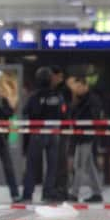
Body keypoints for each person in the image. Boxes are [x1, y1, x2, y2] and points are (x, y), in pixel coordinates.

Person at [21, 67, 66, 203]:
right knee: (52, 165)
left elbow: (26, 111)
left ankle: (28, 194)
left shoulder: (34, 96)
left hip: (38, 132)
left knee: (32, 164)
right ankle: (47, 193)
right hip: (54, 132)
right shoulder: (58, 96)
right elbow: (64, 113)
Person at [68, 77, 104, 202]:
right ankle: (97, 193)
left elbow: (94, 117)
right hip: (80, 136)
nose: (77, 89)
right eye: (75, 87)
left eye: (79, 87)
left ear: (85, 86)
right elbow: (72, 114)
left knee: (79, 165)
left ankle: (74, 193)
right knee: (89, 166)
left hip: (87, 136)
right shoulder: (78, 100)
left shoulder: (92, 100)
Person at [51, 65, 72, 202]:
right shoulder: (54, 90)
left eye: (53, 76)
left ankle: (62, 189)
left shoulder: (64, 91)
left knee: (61, 161)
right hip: (55, 129)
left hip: (62, 130)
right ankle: (56, 188)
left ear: (59, 76)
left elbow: (64, 111)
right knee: (56, 161)